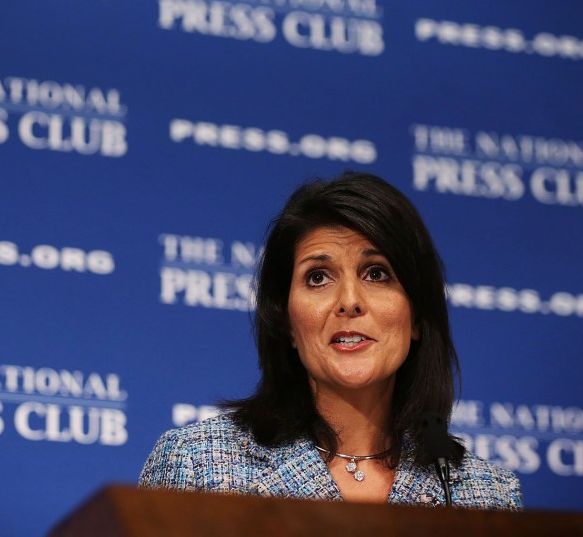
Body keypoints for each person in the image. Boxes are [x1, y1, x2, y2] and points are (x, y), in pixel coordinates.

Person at [139, 172, 522, 509]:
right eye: (318, 277)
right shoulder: (199, 467)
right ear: (287, 322)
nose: (350, 301)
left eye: (376, 273)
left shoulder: (485, 496)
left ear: (417, 318)